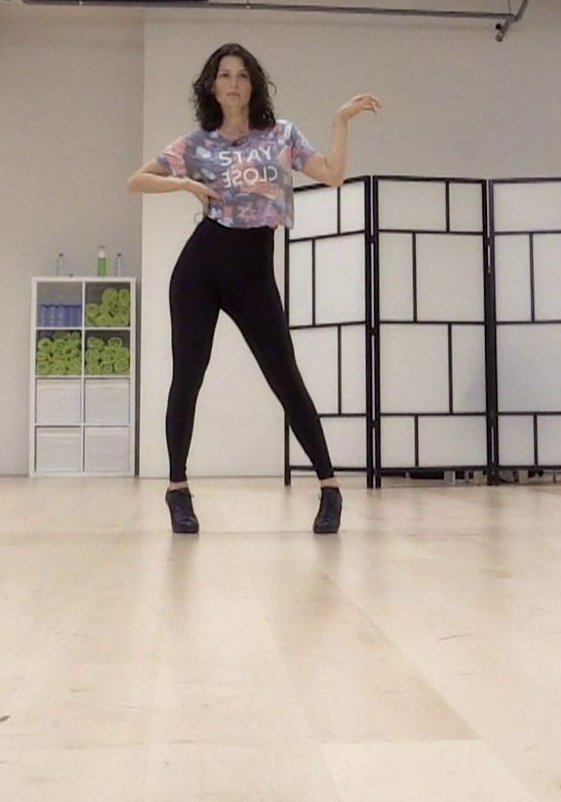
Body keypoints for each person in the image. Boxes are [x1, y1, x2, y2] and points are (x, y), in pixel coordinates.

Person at [128, 43, 381, 535]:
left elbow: (332, 175)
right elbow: (136, 180)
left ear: (254, 85)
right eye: (224, 75)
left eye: (242, 75)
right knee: (188, 377)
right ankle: (177, 490)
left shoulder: (281, 135)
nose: (233, 83)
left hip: (253, 274)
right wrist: (183, 185)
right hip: (200, 270)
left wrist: (340, 121)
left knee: (285, 378)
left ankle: (330, 488)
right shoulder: (197, 144)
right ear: (212, 85)